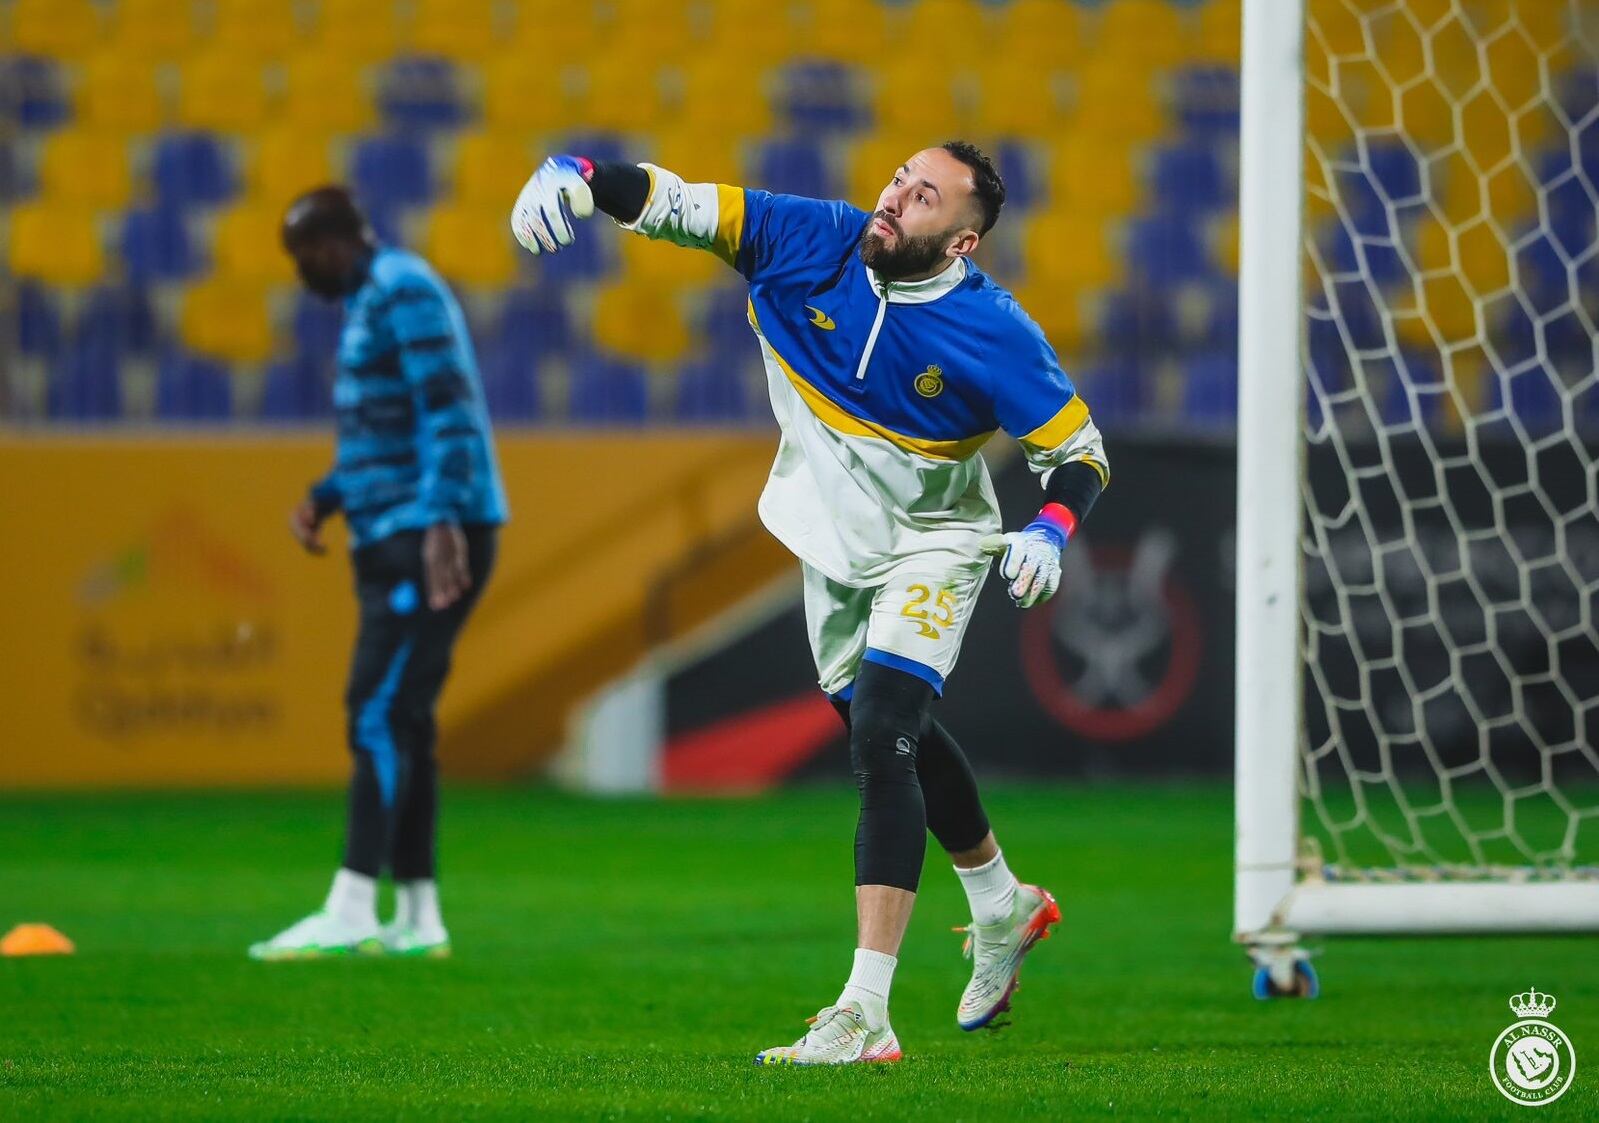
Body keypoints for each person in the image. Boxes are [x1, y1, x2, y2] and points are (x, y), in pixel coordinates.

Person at [510, 142, 1108, 1062]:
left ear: (959, 243)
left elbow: (1080, 453)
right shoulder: (808, 236)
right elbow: (670, 201)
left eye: (923, 199)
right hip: (829, 539)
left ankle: (865, 1011)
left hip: (933, 541)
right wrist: (578, 176)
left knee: (880, 732)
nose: (894, 199)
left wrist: (1050, 527)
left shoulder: (993, 331)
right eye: (899, 181)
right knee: (885, 728)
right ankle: (1001, 903)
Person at [249, 186, 508, 961]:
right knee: (404, 720)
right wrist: (327, 495)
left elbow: (449, 407)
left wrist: (438, 520)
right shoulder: (373, 298)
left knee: (376, 707)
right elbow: (385, 427)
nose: (303, 276)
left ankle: (353, 901)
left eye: (305, 258)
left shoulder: (402, 288)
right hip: (396, 522)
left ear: (337, 241)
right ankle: (418, 916)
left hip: (424, 532)